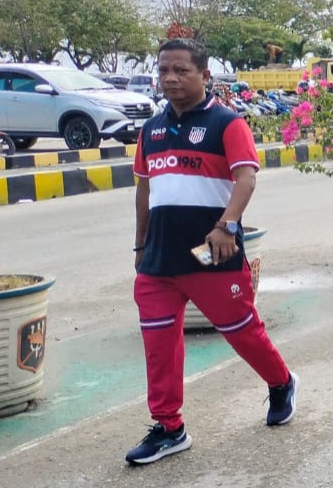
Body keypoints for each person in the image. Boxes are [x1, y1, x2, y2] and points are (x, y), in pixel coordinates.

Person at [125, 38, 296, 466]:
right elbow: (144, 192)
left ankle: (280, 382)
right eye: (164, 70)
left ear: (205, 75)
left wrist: (227, 226)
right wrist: (140, 243)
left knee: (242, 331)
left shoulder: (227, 124)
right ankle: (169, 427)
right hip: (159, 261)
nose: (170, 78)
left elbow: (246, 180)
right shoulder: (152, 130)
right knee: (159, 345)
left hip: (212, 256)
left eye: (181, 70)